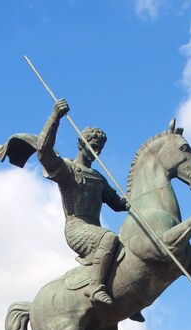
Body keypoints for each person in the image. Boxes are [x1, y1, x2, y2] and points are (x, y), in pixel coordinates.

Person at [36, 99, 129, 306]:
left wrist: (135, 198)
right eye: (94, 147)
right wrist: (55, 117)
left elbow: (118, 204)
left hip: (95, 229)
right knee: (109, 239)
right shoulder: (68, 169)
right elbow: (43, 152)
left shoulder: (98, 178)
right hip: (76, 227)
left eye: (100, 149)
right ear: (81, 143)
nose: (97, 152)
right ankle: (95, 286)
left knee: (126, 247)